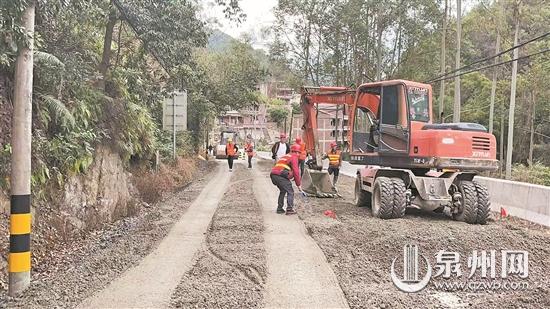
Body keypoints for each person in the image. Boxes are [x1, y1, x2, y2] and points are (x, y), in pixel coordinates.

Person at [270, 144, 302, 215]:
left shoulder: (287, 155)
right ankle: (289, 209)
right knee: (290, 191)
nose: (299, 154)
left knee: (283, 190)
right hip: (280, 175)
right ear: (297, 152)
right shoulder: (294, 157)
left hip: (273, 175)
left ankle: (279, 208)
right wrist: (298, 185)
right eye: (299, 153)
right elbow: (296, 171)